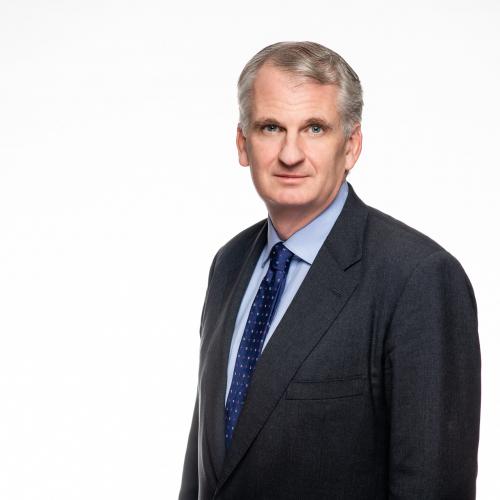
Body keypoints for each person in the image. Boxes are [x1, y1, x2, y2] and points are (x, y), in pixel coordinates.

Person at [178, 41, 481, 499]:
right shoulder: (229, 263)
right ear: (243, 144)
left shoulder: (417, 278)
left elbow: (434, 486)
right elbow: (209, 465)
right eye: (271, 127)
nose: (291, 153)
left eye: (315, 128)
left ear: (351, 145)